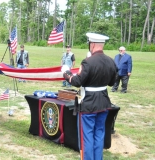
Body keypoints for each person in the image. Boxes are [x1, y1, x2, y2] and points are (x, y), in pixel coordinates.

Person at [63, 32, 117, 160]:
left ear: (92, 45)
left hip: (88, 103)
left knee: (87, 136)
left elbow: (77, 82)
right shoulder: (111, 61)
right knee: (99, 135)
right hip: (103, 102)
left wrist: (66, 73)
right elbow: (111, 83)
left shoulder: (88, 62)